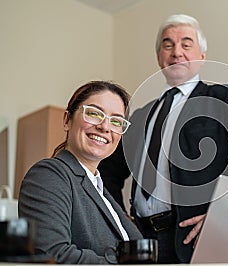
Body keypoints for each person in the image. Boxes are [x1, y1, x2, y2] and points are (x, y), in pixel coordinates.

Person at [99, 14, 228, 263]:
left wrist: (227, 211)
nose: (176, 52)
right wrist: (120, 220)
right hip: (142, 244)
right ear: (159, 56)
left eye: (186, 44)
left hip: (199, 239)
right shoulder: (139, 116)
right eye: (167, 45)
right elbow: (106, 172)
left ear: (202, 56)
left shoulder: (223, 97)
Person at [18, 81, 143, 264]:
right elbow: (51, 255)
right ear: (67, 120)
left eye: (116, 121)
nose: (105, 127)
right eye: (94, 113)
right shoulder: (48, 175)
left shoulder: (101, 191)